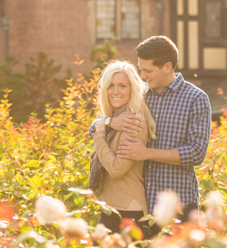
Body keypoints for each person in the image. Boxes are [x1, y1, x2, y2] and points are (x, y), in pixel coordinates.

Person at [116, 36, 211, 225]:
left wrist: (146, 153)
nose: (142, 76)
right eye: (141, 69)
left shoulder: (195, 98)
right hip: (141, 206)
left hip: (179, 207)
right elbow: (96, 125)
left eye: (147, 70)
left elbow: (197, 153)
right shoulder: (138, 95)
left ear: (167, 67)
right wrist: (112, 121)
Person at [87, 60, 156, 234]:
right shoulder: (112, 120)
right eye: (111, 85)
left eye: (122, 86)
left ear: (131, 89)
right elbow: (97, 125)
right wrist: (105, 124)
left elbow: (116, 170)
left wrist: (99, 134)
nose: (115, 91)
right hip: (111, 209)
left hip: (128, 213)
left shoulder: (134, 122)